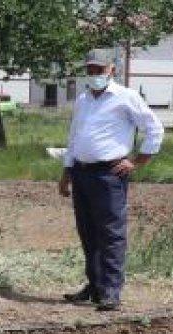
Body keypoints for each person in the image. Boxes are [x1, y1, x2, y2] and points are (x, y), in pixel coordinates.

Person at [59, 51, 164, 312]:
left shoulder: (126, 97)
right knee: (88, 232)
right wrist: (67, 172)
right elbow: (74, 137)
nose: (94, 74)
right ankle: (95, 286)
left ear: (112, 70)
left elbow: (154, 128)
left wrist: (138, 161)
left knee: (111, 234)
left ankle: (111, 291)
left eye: (100, 69)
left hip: (109, 174)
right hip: (81, 173)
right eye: (90, 70)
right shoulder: (83, 100)